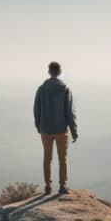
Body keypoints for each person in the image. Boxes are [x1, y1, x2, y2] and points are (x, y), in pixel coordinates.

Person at [33, 61, 78, 195]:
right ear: (59, 73)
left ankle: (48, 186)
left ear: (49, 72)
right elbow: (70, 112)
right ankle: (63, 186)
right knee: (62, 158)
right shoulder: (65, 89)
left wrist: (39, 127)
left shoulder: (41, 89)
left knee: (47, 158)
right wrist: (74, 131)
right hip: (61, 130)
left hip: (45, 129)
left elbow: (36, 110)